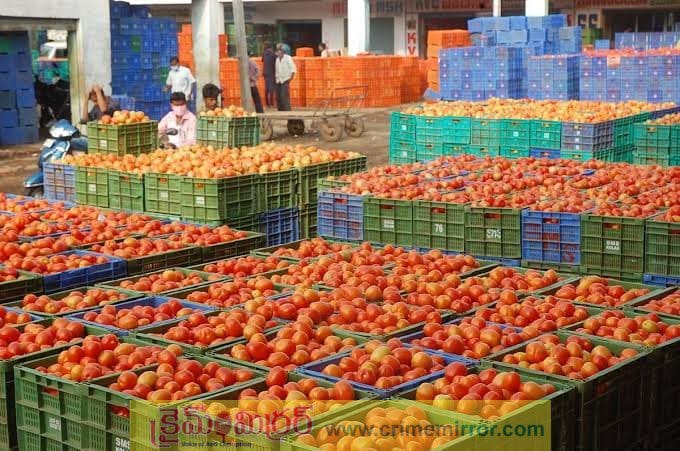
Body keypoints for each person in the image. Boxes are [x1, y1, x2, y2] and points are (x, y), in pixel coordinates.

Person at [275, 43, 297, 111]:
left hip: (285, 79)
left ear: (282, 51)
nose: (278, 52)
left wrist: (290, 78)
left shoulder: (288, 58)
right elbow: (277, 69)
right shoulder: (277, 59)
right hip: (278, 80)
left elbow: (293, 69)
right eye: (277, 51)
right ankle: (280, 110)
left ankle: (287, 110)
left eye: (279, 50)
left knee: (284, 96)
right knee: (278, 96)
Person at [262, 43, 276, 108]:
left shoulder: (264, 54)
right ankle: (271, 103)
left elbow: (263, 61)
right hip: (271, 72)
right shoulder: (273, 54)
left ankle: (267, 103)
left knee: (266, 88)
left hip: (265, 72)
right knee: (271, 89)